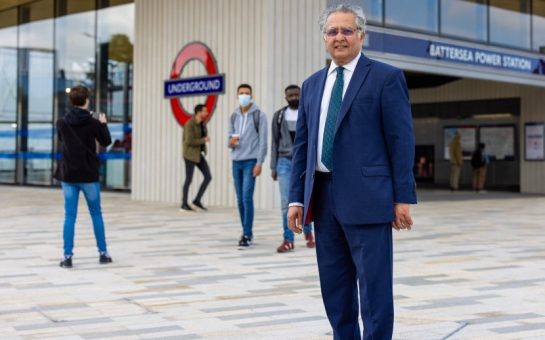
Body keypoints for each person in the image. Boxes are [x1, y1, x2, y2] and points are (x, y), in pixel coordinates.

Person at [287, 5, 417, 339]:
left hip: (368, 200)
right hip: (323, 199)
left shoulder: (386, 77)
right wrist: (295, 200)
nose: (340, 37)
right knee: (335, 289)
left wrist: (402, 197)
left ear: (361, 34)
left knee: (373, 290)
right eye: (333, 32)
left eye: (347, 30)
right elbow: (302, 147)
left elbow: (400, 140)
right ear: (324, 38)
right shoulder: (312, 85)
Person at [54, 85, 113, 268]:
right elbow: (106, 141)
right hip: (88, 175)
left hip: (69, 175)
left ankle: (67, 256)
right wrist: (103, 124)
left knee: (70, 215)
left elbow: (62, 140)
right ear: (87, 100)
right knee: (96, 214)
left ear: (71, 101)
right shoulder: (94, 122)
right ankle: (103, 253)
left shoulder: (62, 122)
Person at [271, 84, 315, 253]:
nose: (294, 98)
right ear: (285, 97)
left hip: (305, 162)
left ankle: (308, 233)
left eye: (296, 95)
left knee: (307, 198)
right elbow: (274, 141)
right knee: (286, 202)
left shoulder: (308, 113)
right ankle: (288, 239)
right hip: (284, 162)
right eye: (290, 95)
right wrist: (273, 166)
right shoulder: (279, 116)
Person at [228, 84, 268, 247]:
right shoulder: (233, 116)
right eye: (241, 93)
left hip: (250, 161)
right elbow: (228, 140)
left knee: (246, 197)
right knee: (239, 200)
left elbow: (263, 142)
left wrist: (259, 163)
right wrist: (231, 142)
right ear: (237, 96)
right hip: (236, 161)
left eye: (246, 93)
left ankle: (247, 234)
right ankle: (245, 230)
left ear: (252, 96)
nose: (244, 96)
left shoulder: (259, 115)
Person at [181, 104, 212, 211]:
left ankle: (197, 200)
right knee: (188, 179)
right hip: (189, 154)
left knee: (208, 176)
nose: (207, 113)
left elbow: (202, 137)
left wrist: (203, 144)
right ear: (198, 113)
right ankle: (184, 204)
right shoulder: (189, 124)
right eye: (205, 111)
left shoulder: (203, 124)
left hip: (198, 154)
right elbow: (189, 141)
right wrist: (204, 140)